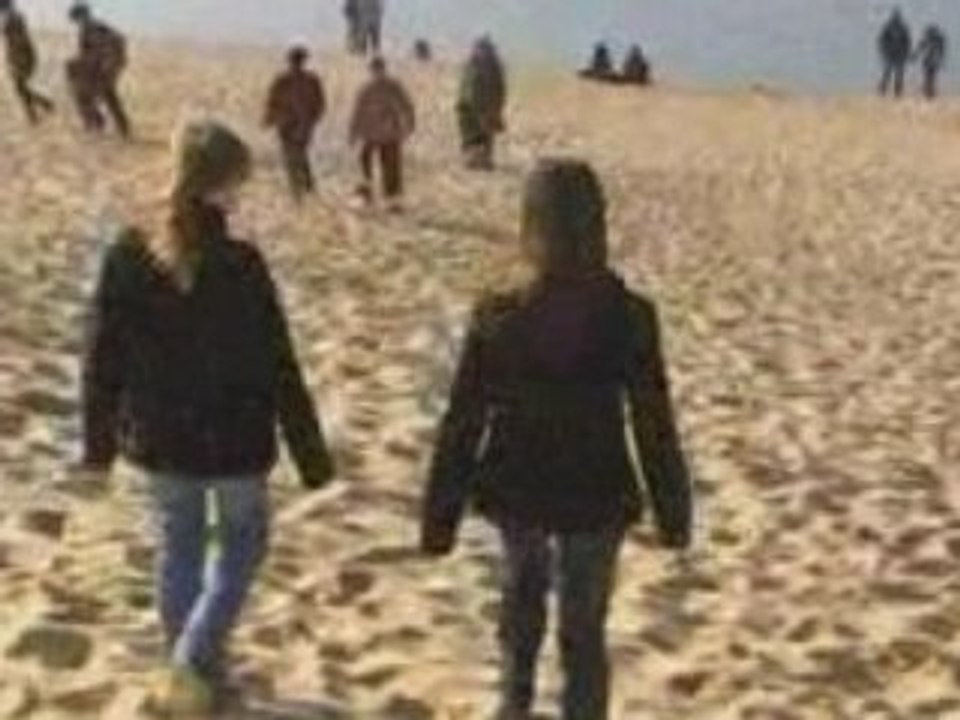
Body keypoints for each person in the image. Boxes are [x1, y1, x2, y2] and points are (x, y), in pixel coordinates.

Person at [421, 159, 693, 720]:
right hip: (597, 490)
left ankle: (513, 707)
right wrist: (673, 510)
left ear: (530, 223)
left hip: (520, 486)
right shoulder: (630, 316)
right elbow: (652, 421)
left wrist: (440, 514)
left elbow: (463, 422)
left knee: (521, 610)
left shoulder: (499, 314)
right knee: (584, 633)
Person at [80, 120, 335, 715]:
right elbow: (280, 362)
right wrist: (311, 453)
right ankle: (194, 661)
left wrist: (97, 441)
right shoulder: (241, 262)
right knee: (244, 543)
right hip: (235, 439)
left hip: (163, 440)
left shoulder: (128, 253)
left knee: (181, 547)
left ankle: (191, 677)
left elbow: (101, 356)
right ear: (225, 187)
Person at [349, 56, 416, 210]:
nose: (377, 73)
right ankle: (367, 196)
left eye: (378, 69)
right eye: (375, 69)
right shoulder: (368, 89)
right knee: (366, 164)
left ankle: (393, 201)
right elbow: (358, 112)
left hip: (388, 134)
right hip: (374, 134)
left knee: (391, 168)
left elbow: (406, 106)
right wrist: (353, 132)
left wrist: (409, 124)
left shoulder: (391, 87)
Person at [264, 46, 327, 201]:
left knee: (293, 159)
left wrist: (270, 119)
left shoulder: (283, 80)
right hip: (298, 126)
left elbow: (272, 102)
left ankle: (298, 194)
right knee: (299, 157)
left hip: (290, 126)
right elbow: (320, 104)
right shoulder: (311, 80)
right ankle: (307, 189)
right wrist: (311, 121)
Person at [67, 2, 130, 136]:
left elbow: (91, 52)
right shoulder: (99, 26)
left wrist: (78, 66)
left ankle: (96, 124)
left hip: (101, 68)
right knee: (109, 96)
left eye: (76, 18)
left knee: (84, 97)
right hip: (106, 67)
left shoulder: (90, 29)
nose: (76, 22)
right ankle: (122, 127)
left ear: (81, 16)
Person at [457, 37, 507, 170]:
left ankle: (480, 160)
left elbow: (500, 89)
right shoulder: (475, 66)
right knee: (475, 136)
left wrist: (496, 109)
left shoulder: (488, 66)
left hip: (483, 107)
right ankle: (477, 160)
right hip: (472, 107)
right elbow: (469, 91)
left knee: (482, 136)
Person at [0, 0, 54, 124]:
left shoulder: (14, 19)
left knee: (21, 88)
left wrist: (17, 60)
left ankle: (38, 111)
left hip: (21, 58)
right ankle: (39, 109)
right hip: (19, 57)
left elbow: (19, 40)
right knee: (22, 88)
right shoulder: (13, 18)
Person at [878, 8, 912, 98]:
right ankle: (883, 91)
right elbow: (882, 41)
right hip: (891, 55)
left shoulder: (902, 28)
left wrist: (906, 53)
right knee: (888, 74)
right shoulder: (888, 27)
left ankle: (897, 93)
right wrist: (885, 52)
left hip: (899, 55)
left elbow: (907, 42)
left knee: (898, 75)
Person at [915, 24, 947, 99]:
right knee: (929, 78)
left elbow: (920, 48)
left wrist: (915, 56)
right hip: (929, 61)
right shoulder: (935, 39)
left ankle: (929, 92)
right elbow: (920, 48)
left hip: (931, 62)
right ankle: (928, 92)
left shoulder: (934, 40)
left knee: (929, 78)